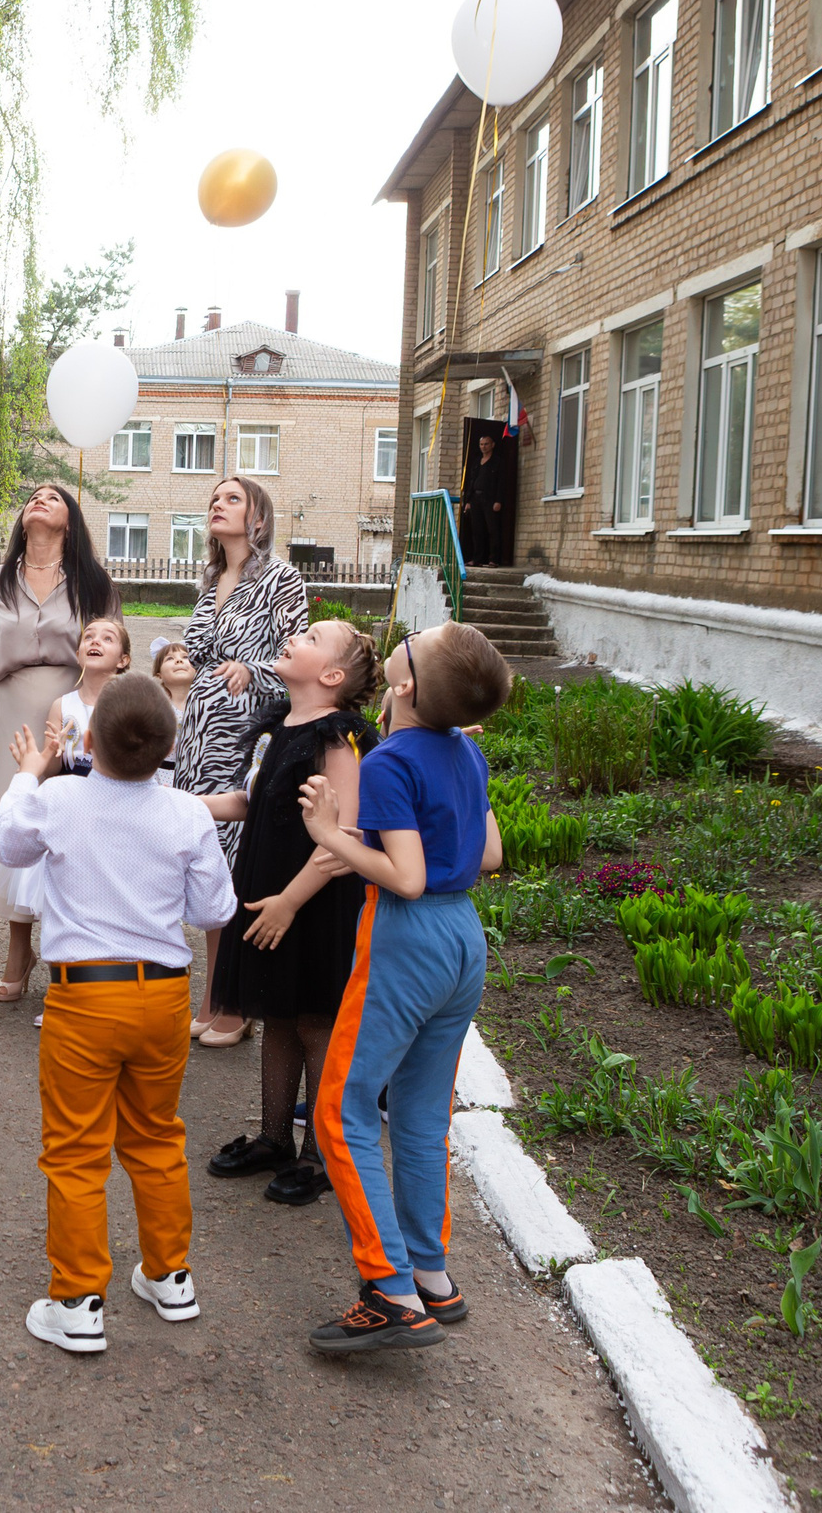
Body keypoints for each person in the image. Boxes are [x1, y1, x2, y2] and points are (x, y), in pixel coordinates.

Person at [0, 674, 235, 1354]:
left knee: (76, 1148)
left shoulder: (58, 798)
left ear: (88, 742)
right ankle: (170, 1276)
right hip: (164, 995)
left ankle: (77, 1301)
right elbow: (213, 910)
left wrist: (29, 774)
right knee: (156, 1137)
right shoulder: (188, 812)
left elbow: (10, 845)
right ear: (169, 747)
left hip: (85, 995)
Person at [298, 621, 512, 1353]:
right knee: (421, 1114)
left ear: (406, 683)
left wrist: (331, 834)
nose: (412, 633)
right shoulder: (468, 751)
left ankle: (389, 1291)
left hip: (407, 938)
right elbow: (490, 853)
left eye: (421, 640)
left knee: (341, 1109)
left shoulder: (389, 762)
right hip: (464, 940)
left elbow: (408, 878)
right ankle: (431, 1274)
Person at [197, 622, 382, 1188]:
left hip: (314, 902)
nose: (296, 636)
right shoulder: (282, 725)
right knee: (277, 1013)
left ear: (331, 675)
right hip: (271, 892)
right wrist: (171, 803)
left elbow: (343, 841)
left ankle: (320, 1154)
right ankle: (275, 1137)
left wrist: (289, 903)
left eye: (313, 638)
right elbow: (249, 802)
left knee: (314, 1022)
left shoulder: (338, 738)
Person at [173, 476, 310, 1044]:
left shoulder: (281, 577)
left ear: (259, 519)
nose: (218, 504)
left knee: (234, 866)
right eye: (214, 498)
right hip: (199, 736)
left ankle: (238, 1001)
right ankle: (214, 996)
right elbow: (197, 652)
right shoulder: (211, 580)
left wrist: (252, 669)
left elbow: (300, 653)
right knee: (206, 864)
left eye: (232, 498)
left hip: (246, 733)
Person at [0, 484, 115, 1003]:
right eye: (34, 495)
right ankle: (18, 949)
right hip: (11, 712)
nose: (41, 499)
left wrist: (105, 723)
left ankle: (73, 948)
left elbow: (113, 651)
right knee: (18, 820)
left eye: (54, 496)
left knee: (73, 821)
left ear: (69, 520)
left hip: (75, 708)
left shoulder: (93, 580)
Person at [41, 616, 131, 780]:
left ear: (122, 660)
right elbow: (49, 771)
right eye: (88, 636)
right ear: (78, 655)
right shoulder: (61, 705)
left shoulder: (132, 705)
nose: (95, 641)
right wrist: (54, 750)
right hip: (70, 792)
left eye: (108, 638)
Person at [148, 639, 196, 786]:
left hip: (197, 777)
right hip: (161, 778)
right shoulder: (155, 707)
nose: (179, 661)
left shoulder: (205, 706)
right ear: (159, 674)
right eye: (170, 658)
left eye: (185, 657)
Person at [462, 431, 511, 567]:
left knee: (492, 530)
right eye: (481, 444)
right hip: (475, 499)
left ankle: (493, 559)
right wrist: (468, 501)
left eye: (486, 444)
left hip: (490, 499)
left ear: (492, 445)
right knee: (477, 530)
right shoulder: (477, 462)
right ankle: (477, 559)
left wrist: (498, 500)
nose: (483, 447)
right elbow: (471, 481)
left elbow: (501, 483)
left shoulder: (497, 462)